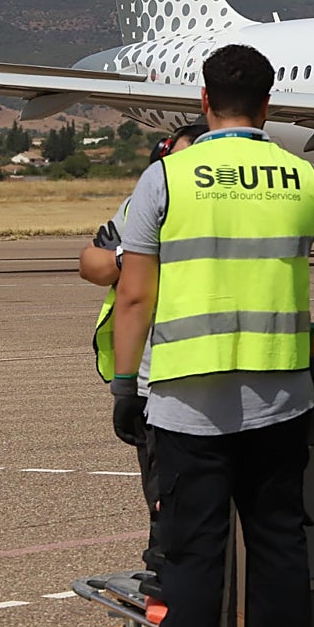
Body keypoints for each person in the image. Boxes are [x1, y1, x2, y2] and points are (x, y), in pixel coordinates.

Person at [112, 44, 314, 627]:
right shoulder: (303, 177)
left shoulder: (165, 177)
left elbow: (133, 295)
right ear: (267, 105)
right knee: (280, 545)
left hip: (188, 401)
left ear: (204, 101)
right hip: (280, 395)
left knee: (193, 555)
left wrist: (126, 385)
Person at [80, 122, 208, 581]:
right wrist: (126, 257)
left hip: (179, 380)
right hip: (162, 377)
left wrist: (125, 386)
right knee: (167, 507)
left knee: (182, 517)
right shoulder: (147, 200)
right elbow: (92, 261)